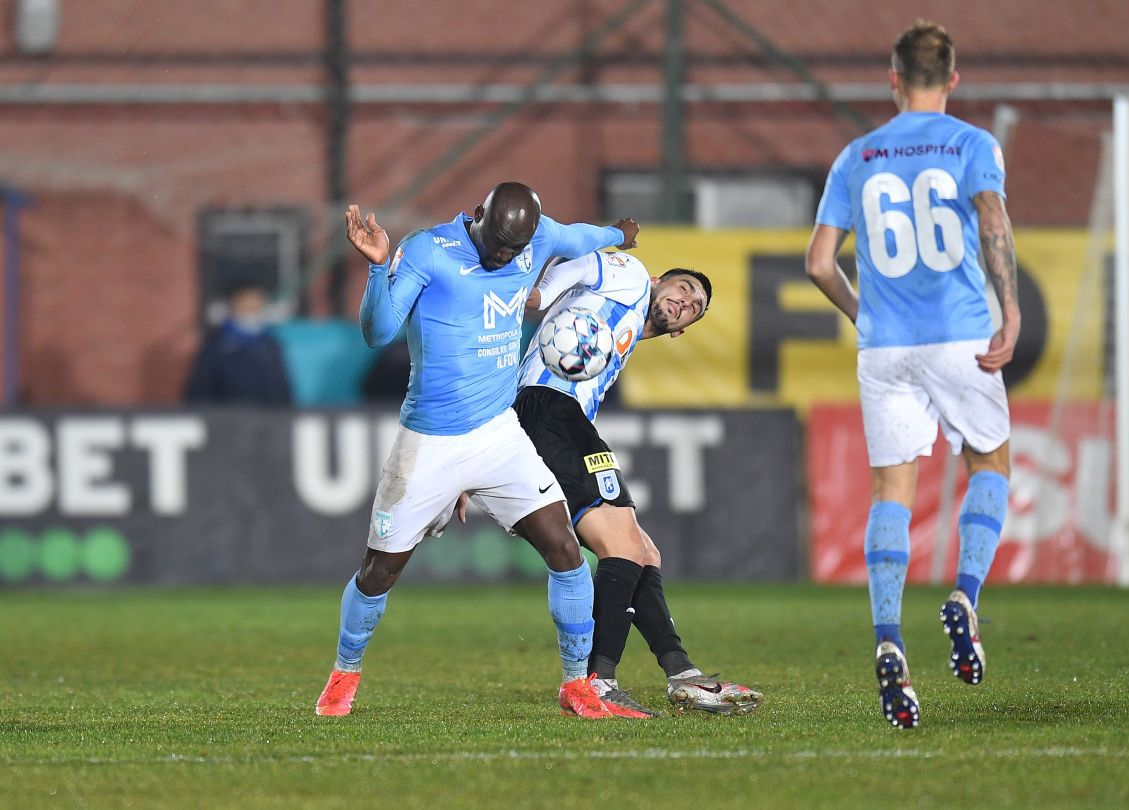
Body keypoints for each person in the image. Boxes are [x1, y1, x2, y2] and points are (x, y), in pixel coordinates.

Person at [314, 182, 640, 719]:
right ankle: (344, 673)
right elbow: (378, 332)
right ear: (478, 214)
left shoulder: (537, 236)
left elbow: (579, 237)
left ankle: (576, 684)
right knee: (379, 572)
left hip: (498, 434)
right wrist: (377, 268)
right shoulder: (428, 250)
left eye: (515, 249)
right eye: (497, 245)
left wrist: (618, 235)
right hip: (430, 442)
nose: (505, 257)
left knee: (564, 548)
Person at [805, 21, 1020, 729]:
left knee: (891, 490)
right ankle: (963, 596)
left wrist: (863, 313)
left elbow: (816, 262)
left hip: (884, 347)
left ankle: (888, 639)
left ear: (892, 79)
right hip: (959, 333)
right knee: (989, 460)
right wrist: (1009, 309)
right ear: (953, 79)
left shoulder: (857, 155)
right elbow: (991, 219)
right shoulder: (971, 145)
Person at [504, 249, 761, 717]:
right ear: (660, 279)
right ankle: (598, 683)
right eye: (683, 288)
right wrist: (539, 293)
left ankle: (681, 673)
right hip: (550, 411)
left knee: (644, 552)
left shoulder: (617, 340)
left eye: (696, 306)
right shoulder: (630, 276)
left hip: (552, 418)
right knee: (621, 546)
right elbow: (583, 265)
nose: (686, 301)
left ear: (681, 331)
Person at [184, 281, 291, 405]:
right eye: (246, 306)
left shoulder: (271, 344)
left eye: (256, 307)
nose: (252, 312)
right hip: (227, 418)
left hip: (268, 419)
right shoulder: (215, 347)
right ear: (233, 305)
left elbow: (282, 389)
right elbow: (201, 391)